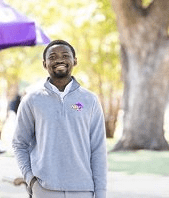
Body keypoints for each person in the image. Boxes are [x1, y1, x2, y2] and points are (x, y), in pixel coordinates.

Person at [12, 40, 107, 198]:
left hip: (83, 190)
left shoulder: (90, 100)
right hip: (44, 189)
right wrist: (30, 179)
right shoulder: (31, 100)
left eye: (65, 55)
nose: (59, 60)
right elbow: (19, 143)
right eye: (53, 57)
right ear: (45, 64)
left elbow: (98, 149)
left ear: (74, 61)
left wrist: (101, 193)